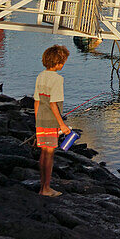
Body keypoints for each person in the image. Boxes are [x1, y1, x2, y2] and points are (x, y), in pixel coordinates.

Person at [34, 45, 71, 197]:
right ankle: (46, 188)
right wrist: (61, 124)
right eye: (63, 61)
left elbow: (37, 101)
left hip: (41, 120)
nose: (64, 64)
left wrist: (37, 121)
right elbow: (53, 104)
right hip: (50, 121)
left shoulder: (41, 76)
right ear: (58, 63)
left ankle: (43, 186)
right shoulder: (57, 79)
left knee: (43, 153)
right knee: (49, 155)